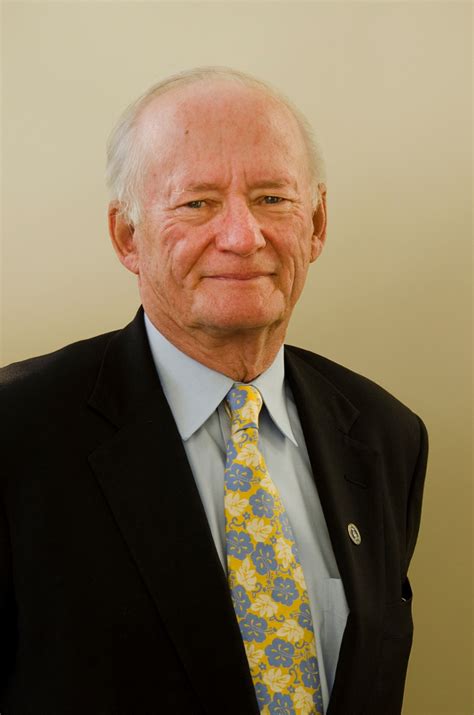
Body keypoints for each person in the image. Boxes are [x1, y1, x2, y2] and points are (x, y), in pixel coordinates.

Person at [0, 67, 428, 715]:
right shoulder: (17, 434)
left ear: (316, 223)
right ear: (127, 236)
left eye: (272, 198)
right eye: (196, 203)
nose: (241, 236)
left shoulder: (385, 435)